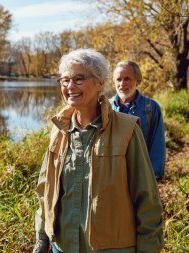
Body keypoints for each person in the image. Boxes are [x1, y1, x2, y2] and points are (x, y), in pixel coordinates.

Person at [32, 49, 164, 253]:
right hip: (63, 246)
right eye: (64, 80)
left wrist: (148, 248)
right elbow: (45, 189)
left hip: (112, 248)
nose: (69, 86)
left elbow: (147, 198)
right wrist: (42, 237)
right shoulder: (59, 131)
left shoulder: (127, 130)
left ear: (99, 82)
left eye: (78, 79)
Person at [110, 61, 166, 179]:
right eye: (118, 79)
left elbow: (158, 145)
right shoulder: (105, 107)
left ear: (137, 81)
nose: (122, 84)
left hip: (141, 176)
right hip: (112, 177)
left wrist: (153, 176)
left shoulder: (151, 107)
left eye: (127, 79)